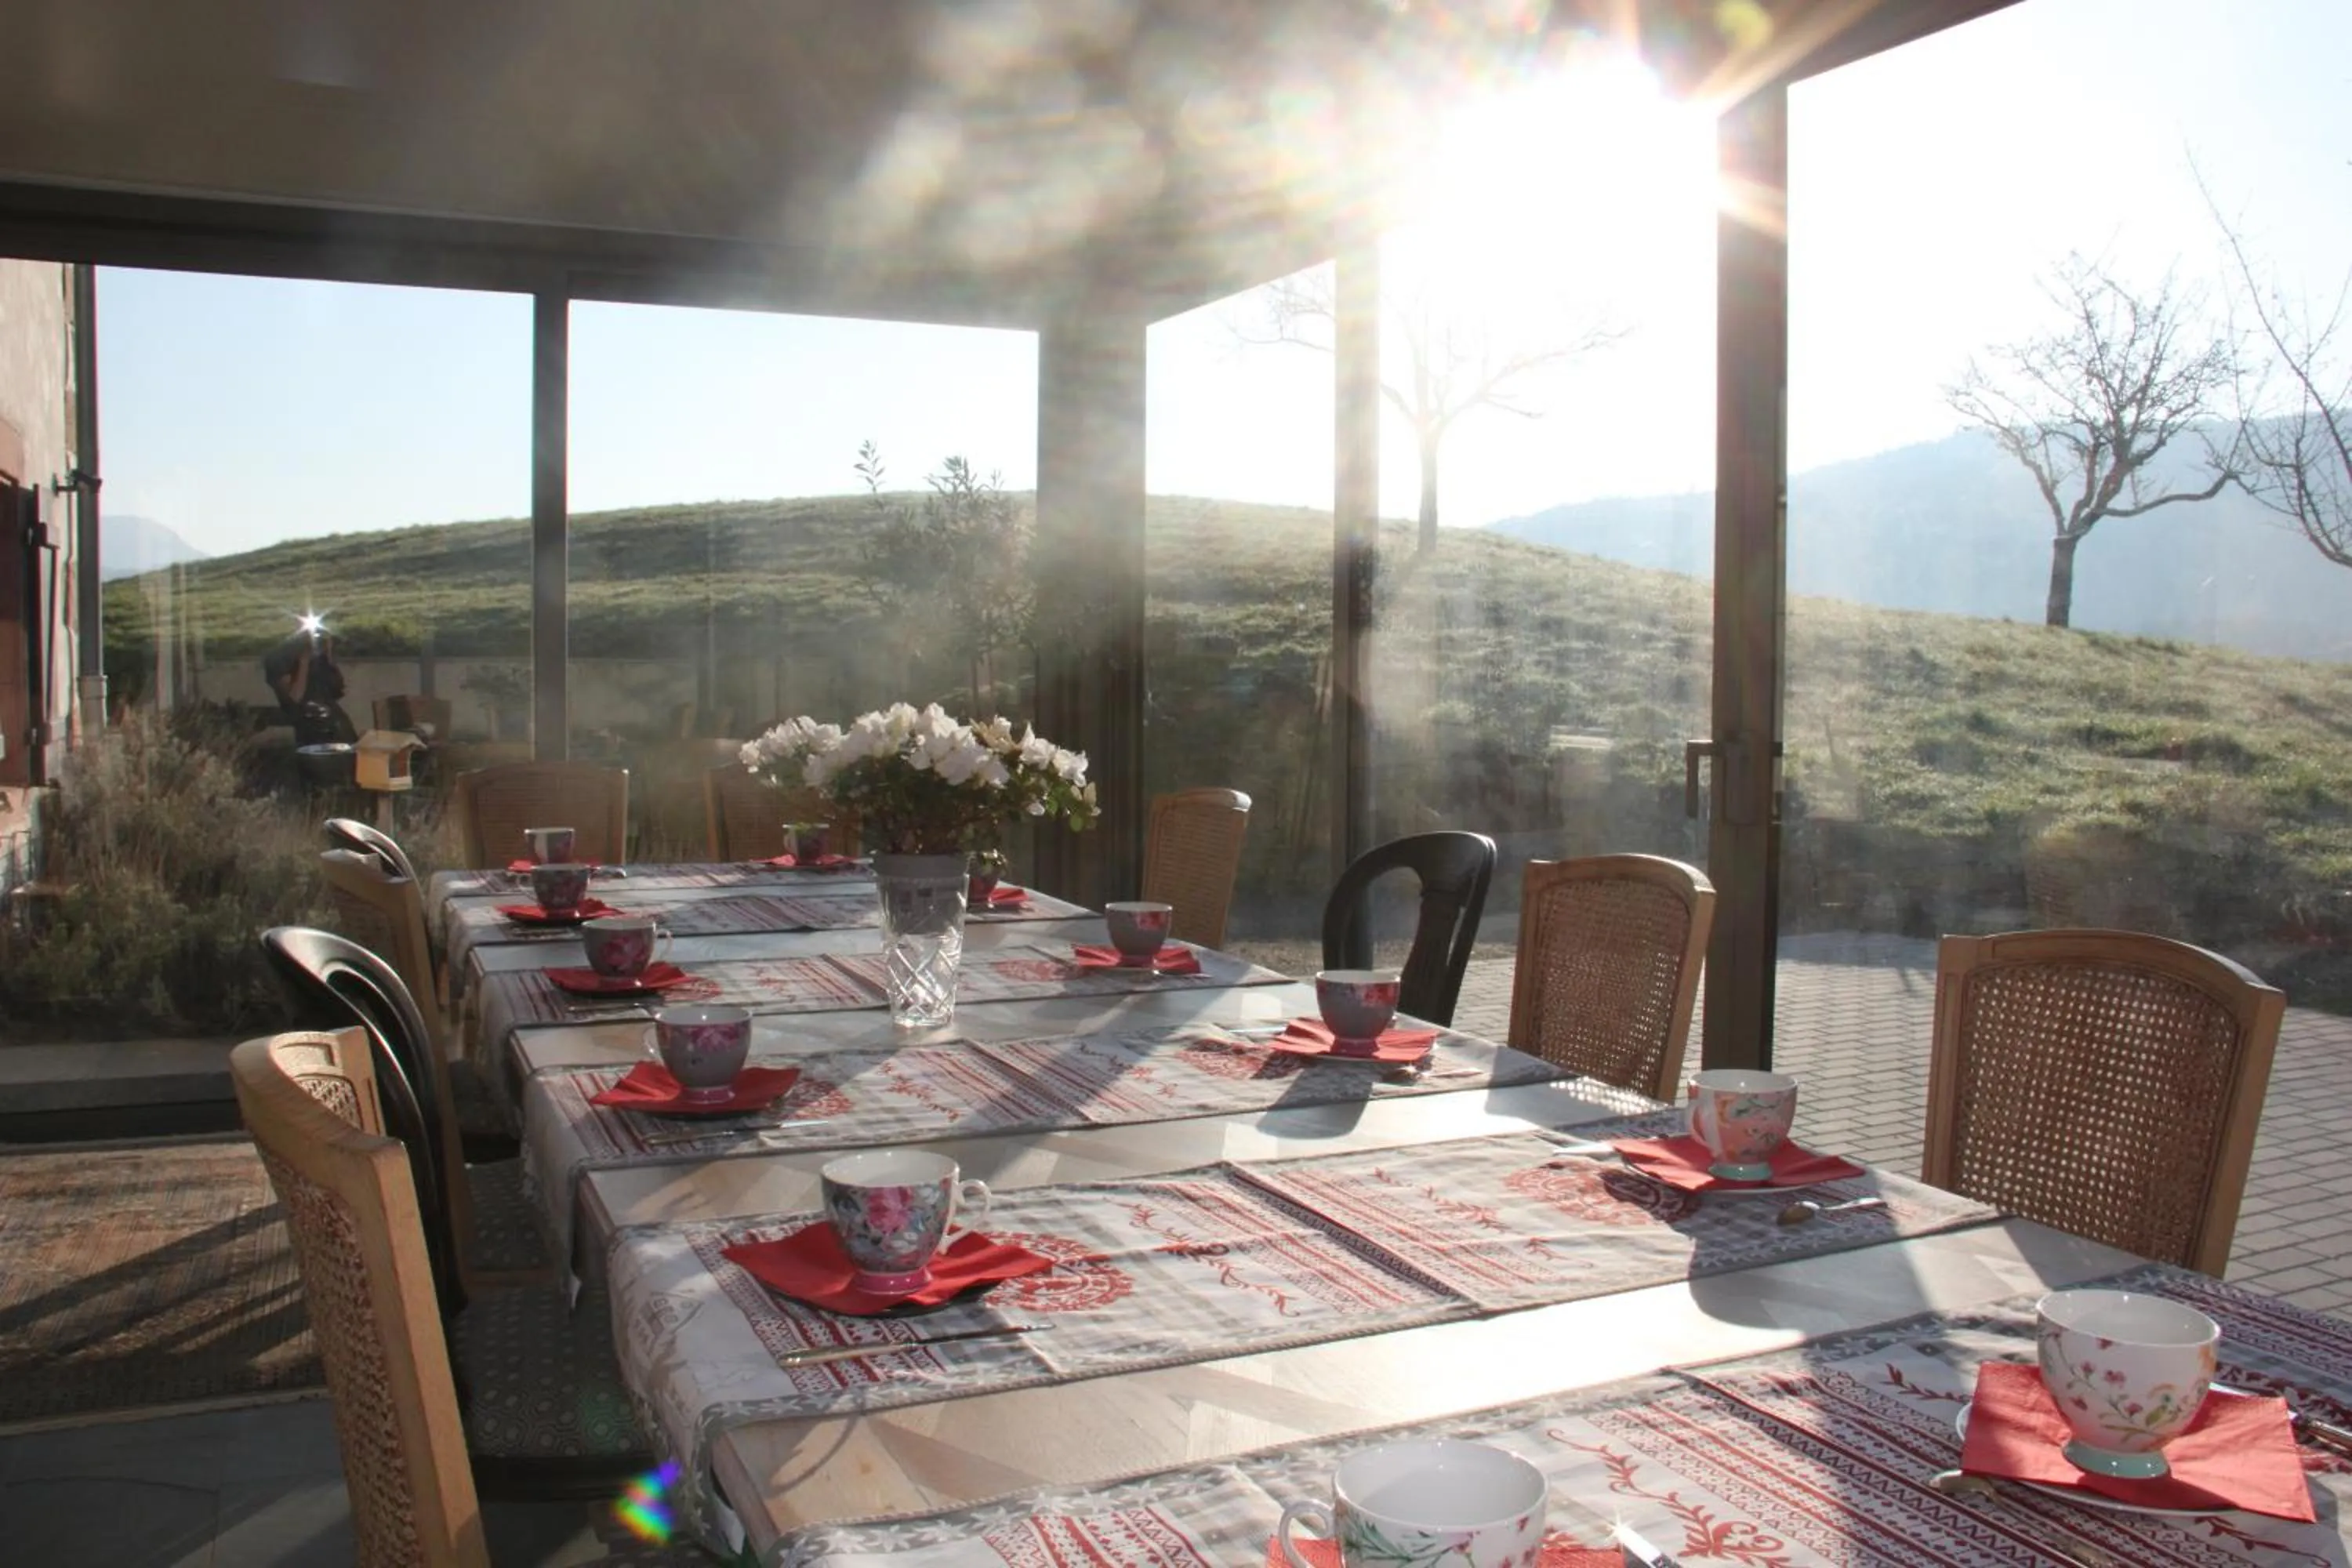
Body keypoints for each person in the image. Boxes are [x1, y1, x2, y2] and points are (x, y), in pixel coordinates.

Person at [263, 626, 357, 746]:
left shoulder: (319, 658)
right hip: (311, 725)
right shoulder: (279, 660)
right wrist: (304, 661)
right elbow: (294, 698)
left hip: (336, 722)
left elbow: (338, 690)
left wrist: (328, 655)